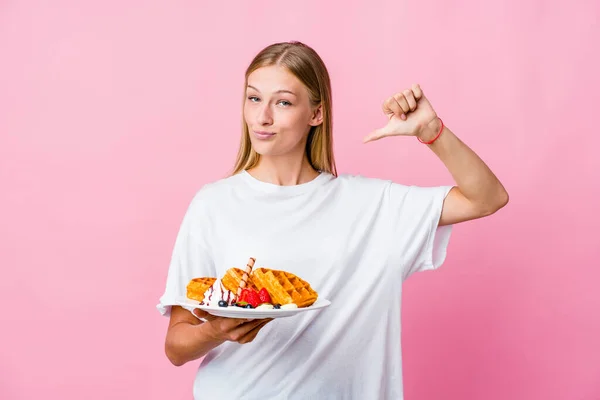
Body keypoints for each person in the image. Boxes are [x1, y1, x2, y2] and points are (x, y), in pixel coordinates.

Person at [156, 41, 508, 399]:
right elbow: (176, 346)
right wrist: (216, 330)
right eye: (253, 98)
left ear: (316, 114)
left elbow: (488, 197)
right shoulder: (214, 204)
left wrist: (432, 131)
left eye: (283, 102)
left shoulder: (373, 206)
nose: (262, 117)